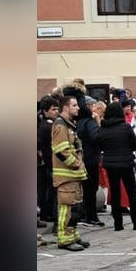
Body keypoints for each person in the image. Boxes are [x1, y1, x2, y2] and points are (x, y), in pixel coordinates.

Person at [95, 102, 136, 231]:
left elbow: (99, 145)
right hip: (126, 162)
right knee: (132, 193)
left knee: (115, 192)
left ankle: (118, 224)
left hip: (110, 164)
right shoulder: (126, 127)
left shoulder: (103, 129)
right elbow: (134, 144)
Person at [51, 96, 89, 251]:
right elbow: (61, 151)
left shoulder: (69, 125)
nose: (78, 108)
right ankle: (64, 239)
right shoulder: (61, 126)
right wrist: (76, 164)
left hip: (74, 175)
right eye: (74, 105)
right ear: (65, 108)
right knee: (67, 209)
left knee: (76, 208)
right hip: (67, 176)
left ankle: (72, 235)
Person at [75, 96, 104, 227]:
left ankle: (82, 214)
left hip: (80, 158)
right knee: (91, 189)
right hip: (91, 158)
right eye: (92, 106)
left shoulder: (76, 121)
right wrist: (98, 122)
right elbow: (96, 137)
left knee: (82, 189)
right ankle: (91, 217)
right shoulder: (89, 121)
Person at [37, 96, 59, 224]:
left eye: (57, 108)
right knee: (49, 190)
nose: (56, 111)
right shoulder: (48, 126)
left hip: (46, 161)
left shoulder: (44, 124)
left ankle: (46, 213)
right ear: (45, 111)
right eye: (53, 109)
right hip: (50, 162)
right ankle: (48, 213)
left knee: (45, 189)